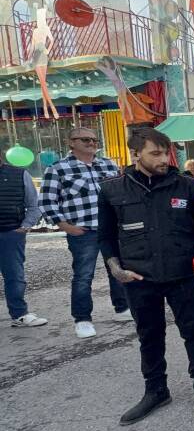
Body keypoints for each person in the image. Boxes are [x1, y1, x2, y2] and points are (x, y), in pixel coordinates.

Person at [97, 128, 194, 425]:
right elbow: (105, 236)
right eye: (156, 153)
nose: (164, 159)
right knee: (149, 335)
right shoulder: (112, 189)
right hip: (139, 278)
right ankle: (155, 390)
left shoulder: (187, 186)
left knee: (193, 330)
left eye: (166, 152)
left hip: (181, 274)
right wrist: (116, 269)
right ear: (136, 153)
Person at [39, 126, 130, 338]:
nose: (91, 143)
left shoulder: (108, 165)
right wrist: (65, 226)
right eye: (85, 140)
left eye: (94, 140)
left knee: (118, 270)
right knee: (83, 276)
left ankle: (122, 308)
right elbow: (46, 201)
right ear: (71, 143)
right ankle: (82, 319)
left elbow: (120, 196)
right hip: (83, 231)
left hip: (111, 229)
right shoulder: (58, 169)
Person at [0, 150, 47, 327]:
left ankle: (19, 314)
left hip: (11, 233)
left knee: (14, 275)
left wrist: (26, 226)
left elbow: (33, 204)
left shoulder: (19, 174)